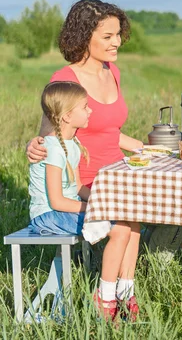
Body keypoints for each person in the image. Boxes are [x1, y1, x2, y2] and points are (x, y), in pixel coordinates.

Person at [25, 0, 182, 260]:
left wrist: (149, 149)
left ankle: (143, 259)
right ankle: (136, 264)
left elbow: (109, 131)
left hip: (120, 172)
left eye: (117, 35)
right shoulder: (64, 80)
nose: (116, 42)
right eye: (107, 36)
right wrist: (34, 145)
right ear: (84, 37)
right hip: (89, 181)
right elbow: (50, 136)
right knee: (157, 210)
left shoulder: (112, 72)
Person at [28, 81, 141, 321]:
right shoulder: (53, 148)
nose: (90, 111)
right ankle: (105, 297)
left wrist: (104, 199)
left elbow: (78, 187)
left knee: (131, 221)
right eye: (85, 107)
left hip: (65, 210)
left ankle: (125, 292)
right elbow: (57, 201)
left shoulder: (73, 144)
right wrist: (94, 208)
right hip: (48, 216)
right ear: (68, 116)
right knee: (119, 229)